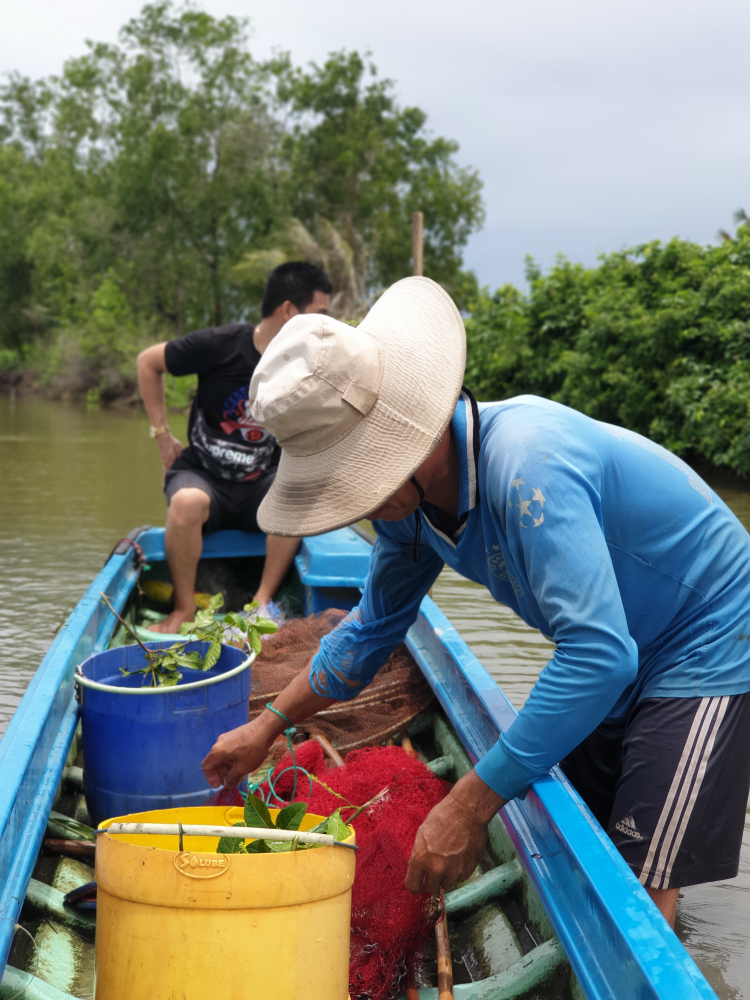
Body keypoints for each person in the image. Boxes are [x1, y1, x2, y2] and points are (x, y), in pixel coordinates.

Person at [201, 276, 750, 928]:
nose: (352, 501)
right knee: (583, 837)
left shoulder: (528, 467)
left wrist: (467, 803)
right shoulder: (409, 509)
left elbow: (598, 657)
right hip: (617, 637)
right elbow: (371, 631)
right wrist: (268, 726)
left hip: (707, 632)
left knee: (642, 887)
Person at [137, 261, 332, 633]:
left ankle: (261, 603)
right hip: (205, 477)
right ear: (289, 310)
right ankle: (182, 610)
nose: (325, 324)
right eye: (320, 314)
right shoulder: (220, 345)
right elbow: (148, 363)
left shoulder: (309, 364)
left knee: (297, 492)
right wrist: (162, 434)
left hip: (262, 483)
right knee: (184, 503)